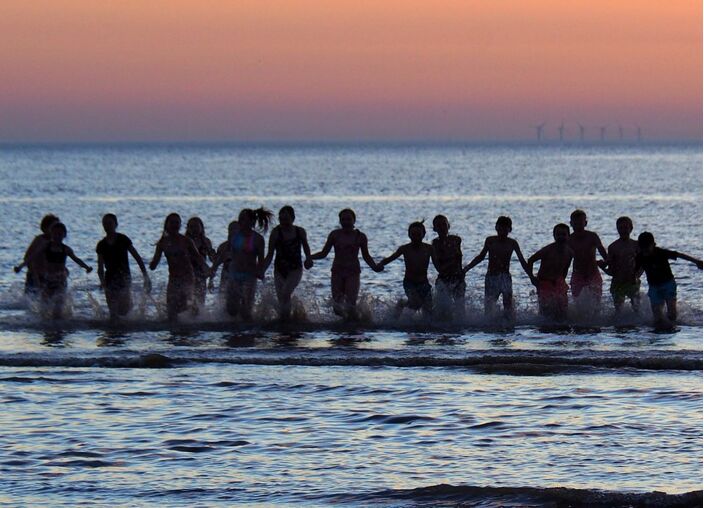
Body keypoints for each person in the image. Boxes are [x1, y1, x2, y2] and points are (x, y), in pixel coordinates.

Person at [311, 208, 381, 320]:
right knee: (337, 307)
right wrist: (310, 257)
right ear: (340, 221)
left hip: (353, 272)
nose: (346, 222)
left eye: (349, 219)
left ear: (354, 220)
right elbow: (324, 253)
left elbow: (366, 256)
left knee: (351, 304)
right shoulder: (334, 234)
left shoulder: (360, 236)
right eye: (343, 219)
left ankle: (355, 324)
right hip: (337, 271)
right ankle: (345, 324)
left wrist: (375, 267)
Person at [463, 216, 534, 319]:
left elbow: (522, 261)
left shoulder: (512, 243)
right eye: (500, 228)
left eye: (505, 229)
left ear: (510, 230)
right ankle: (490, 326)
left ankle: (508, 324)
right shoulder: (490, 240)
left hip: (505, 277)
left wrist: (531, 277)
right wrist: (466, 269)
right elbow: (481, 257)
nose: (502, 231)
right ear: (496, 228)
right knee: (489, 306)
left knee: (508, 306)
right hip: (491, 277)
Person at [211, 208, 271, 320]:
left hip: (250, 276)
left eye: (244, 219)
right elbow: (225, 254)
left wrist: (260, 271)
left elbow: (261, 259)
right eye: (240, 219)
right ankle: (235, 332)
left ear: (252, 222)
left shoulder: (258, 239)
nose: (241, 222)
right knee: (231, 309)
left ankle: (247, 334)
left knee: (246, 311)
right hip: (234, 274)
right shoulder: (234, 236)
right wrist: (213, 268)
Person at [635, 232, 702, 328]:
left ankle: (672, 327)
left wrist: (696, 261)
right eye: (643, 249)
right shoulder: (640, 257)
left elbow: (680, 255)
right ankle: (660, 330)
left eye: (647, 248)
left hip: (668, 284)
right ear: (639, 247)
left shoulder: (661, 253)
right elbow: (637, 271)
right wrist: (634, 278)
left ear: (653, 245)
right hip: (654, 287)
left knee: (672, 315)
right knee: (657, 318)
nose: (645, 252)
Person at [149, 213, 207, 321]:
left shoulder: (186, 240)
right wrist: (152, 265)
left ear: (180, 225)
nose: (175, 225)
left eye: (177, 223)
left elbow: (198, 257)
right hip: (173, 279)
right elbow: (155, 261)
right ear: (167, 225)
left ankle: (194, 315)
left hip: (187, 277)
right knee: (171, 311)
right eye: (172, 222)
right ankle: (175, 334)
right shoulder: (162, 243)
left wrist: (208, 270)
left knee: (183, 306)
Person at [261, 206, 313, 321]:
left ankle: (289, 319)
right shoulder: (276, 232)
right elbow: (270, 254)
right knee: (282, 299)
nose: (284, 222)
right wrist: (262, 270)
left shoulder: (300, 231)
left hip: (295, 269)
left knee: (285, 292)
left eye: (286, 219)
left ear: (293, 218)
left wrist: (309, 259)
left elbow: (306, 247)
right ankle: (285, 319)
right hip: (279, 269)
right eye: (281, 219)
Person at [96, 214, 151, 320]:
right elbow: (100, 268)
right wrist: (102, 282)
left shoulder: (123, 239)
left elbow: (137, 257)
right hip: (110, 280)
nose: (107, 226)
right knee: (113, 313)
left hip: (124, 277)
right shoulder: (101, 245)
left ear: (116, 224)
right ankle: (114, 334)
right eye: (105, 224)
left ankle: (124, 335)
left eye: (110, 223)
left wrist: (145, 275)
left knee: (124, 312)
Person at [35, 222, 92, 319]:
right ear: (51, 234)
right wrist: (21, 266)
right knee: (44, 308)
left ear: (64, 235)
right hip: (48, 280)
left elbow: (76, 259)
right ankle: (46, 327)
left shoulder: (66, 249)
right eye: (55, 234)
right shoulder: (46, 246)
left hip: (60, 281)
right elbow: (33, 256)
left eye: (59, 234)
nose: (57, 236)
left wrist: (86, 267)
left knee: (58, 309)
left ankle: (58, 327)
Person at [378, 221, 434, 317]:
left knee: (428, 308)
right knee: (416, 303)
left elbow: (438, 261)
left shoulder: (429, 248)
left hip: (424, 282)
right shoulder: (405, 248)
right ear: (409, 235)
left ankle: (425, 326)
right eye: (413, 234)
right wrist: (380, 264)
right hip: (409, 282)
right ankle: (402, 304)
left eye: (418, 234)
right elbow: (391, 258)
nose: (415, 237)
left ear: (423, 234)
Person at [527, 224, 574, 321]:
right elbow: (531, 260)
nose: (561, 237)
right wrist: (532, 278)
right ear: (554, 236)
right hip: (544, 282)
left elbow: (566, 268)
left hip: (559, 282)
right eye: (558, 234)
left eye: (563, 234)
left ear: (568, 236)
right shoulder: (548, 250)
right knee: (546, 312)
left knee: (563, 311)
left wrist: (562, 281)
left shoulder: (570, 252)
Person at [568, 209, 608, 312]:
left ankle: (595, 323)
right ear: (571, 224)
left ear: (585, 223)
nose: (578, 226)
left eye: (580, 223)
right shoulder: (569, 239)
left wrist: (608, 262)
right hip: (578, 274)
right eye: (575, 223)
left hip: (593, 273)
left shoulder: (592, 236)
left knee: (596, 304)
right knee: (577, 303)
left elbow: (602, 251)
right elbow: (565, 257)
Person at [598, 216, 641, 313]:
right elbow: (611, 269)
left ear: (631, 228)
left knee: (637, 308)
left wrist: (637, 275)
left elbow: (642, 264)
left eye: (626, 228)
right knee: (619, 309)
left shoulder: (636, 245)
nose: (623, 230)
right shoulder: (613, 247)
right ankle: (620, 325)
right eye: (621, 228)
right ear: (617, 229)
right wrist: (603, 268)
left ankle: (638, 325)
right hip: (618, 282)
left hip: (632, 281)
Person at [14, 214, 60, 296]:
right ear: (45, 228)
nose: (55, 230)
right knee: (31, 297)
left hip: (48, 276)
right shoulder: (39, 240)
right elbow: (27, 257)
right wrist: (33, 273)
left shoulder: (56, 242)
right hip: (34, 275)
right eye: (53, 227)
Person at [430, 215, 465, 320]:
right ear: (435, 229)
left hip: (457, 277)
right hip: (443, 277)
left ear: (448, 226)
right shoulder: (435, 243)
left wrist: (460, 272)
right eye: (438, 225)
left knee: (460, 307)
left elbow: (458, 257)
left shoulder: (456, 239)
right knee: (443, 308)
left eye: (443, 224)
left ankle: (459, 326)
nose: (441, 227)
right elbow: (438, 266)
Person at [185, 217, 215, 311]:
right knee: (187, 300)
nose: (194, 229)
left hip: (201, 274)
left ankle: (197, 319)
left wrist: (214, 255)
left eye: (196, 226)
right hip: (187, 274)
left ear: (201, 228)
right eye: (191, 227)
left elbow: (212, 259)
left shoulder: (206, 241)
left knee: (200, 301)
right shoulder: (184, 241)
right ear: (188, 228)